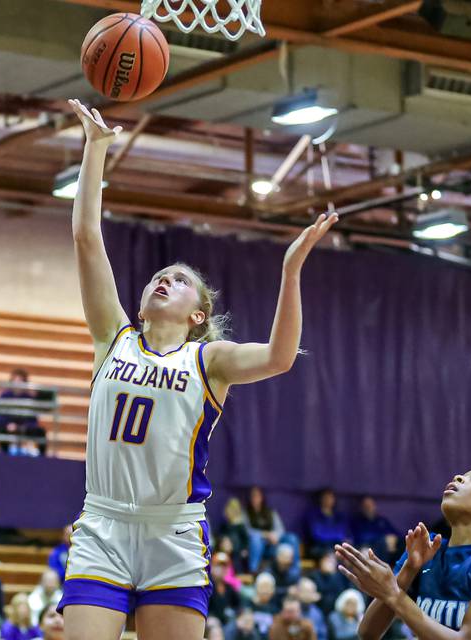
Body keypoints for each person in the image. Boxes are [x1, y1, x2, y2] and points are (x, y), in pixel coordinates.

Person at [59, 98, 336, 640]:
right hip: (103, 524)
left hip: (174, 533)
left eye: (179, 281)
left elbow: (281, 357)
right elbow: (87, 237)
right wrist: (95, 149)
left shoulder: (209, 359)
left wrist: (291, 270)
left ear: (198, 314)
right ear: (139, 305)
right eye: (159, 277)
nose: (164, 281)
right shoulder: (112, 337)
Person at [337, 468, 471, 640]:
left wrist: (394, 594)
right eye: (462, 475)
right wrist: (408, 571)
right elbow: (368, 633)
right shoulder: (427, 547)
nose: (459, 477)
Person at [245, 487, 300, 575]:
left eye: (257, 496)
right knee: (255, 539)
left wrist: (275, 536)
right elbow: (247, 531)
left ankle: (295, 569)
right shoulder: (246, 513)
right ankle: (253, 570)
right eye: (253, 496)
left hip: (274, 545)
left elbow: (281, 529)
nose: (255, 499)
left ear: (262, 497)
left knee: (292, 538)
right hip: (257, 546)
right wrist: (265, 534)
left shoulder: (270, 512)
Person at [302, 489, 352, 559]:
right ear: (320, 499)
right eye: (326, 497)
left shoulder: (339, 516)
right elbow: (317, 535)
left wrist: (339, 537)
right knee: (330, 558)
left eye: (330, 497)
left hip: (337, 548)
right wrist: (337, 536)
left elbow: (345, 534)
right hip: (319, 549)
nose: (328, 500)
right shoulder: (313, 515)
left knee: (349, 556)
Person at [308, 551, 349, 616]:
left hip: (334, 610)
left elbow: (340, 593)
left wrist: (331, 575)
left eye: (332, 561)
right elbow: (316, 594)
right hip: (318, 607)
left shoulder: (338, 576)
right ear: (321, 561)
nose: (329, 564)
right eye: (327, 560)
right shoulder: (314, 575)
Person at [209, 552, 243, 626]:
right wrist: (209, 617)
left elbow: (239, 606)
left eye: (225, 566)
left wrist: (235, 614)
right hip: (210, 625)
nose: (222, 569)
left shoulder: (229, 588)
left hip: (227, 623)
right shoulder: (207, 586)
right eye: (219, 566)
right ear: (212, 567)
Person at [219, 498, 251, 573]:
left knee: (238, 560)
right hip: (225, 550)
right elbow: (220, 537)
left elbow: (245, 539)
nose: (231, 512)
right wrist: (224, 541)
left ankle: (236, 574)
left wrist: (245, 549)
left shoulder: (240, 526)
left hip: (237, 551)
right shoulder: (224, 526)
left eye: (233, 510)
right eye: (230, 510)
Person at [251, 573, 279, 639]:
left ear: (273, 590)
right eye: (262, 587)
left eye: (268, 587)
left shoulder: (275, 609)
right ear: (256, 588)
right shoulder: (249, 605)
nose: (265, 591)